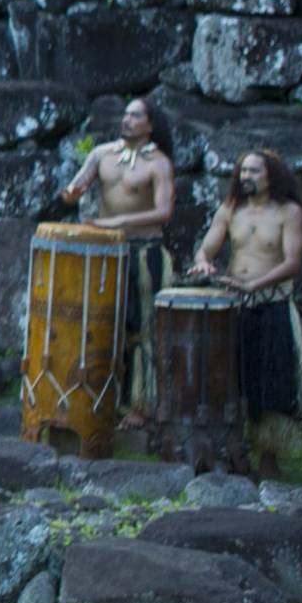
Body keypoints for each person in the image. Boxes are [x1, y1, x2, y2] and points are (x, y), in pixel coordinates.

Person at [58, 95, 179, 437]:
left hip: (144, 253)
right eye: (125, 114)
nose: (126, 120)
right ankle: (101, 398)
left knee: (141, 329)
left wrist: (118, 222)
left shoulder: (159, 163)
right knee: (103, 326)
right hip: (107, 253)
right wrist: (71, 193)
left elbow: (163, 212)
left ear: (150, 124)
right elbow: (77, 185)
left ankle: (140, 404)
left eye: (135, 116)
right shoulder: (102, 155)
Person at [188, 149, 302, 475]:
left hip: (272, 304)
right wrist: (203, 261)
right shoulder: (231, 210)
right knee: (232, 379)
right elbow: (207, 247)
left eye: (254, 172)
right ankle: (233, 449)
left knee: (272, 383)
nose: (246, 177)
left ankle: (268, 456)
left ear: (272, 174)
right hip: (235, 305)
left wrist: (256, 284)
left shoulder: (289, 212)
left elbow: (292, 262)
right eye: (243, 171)